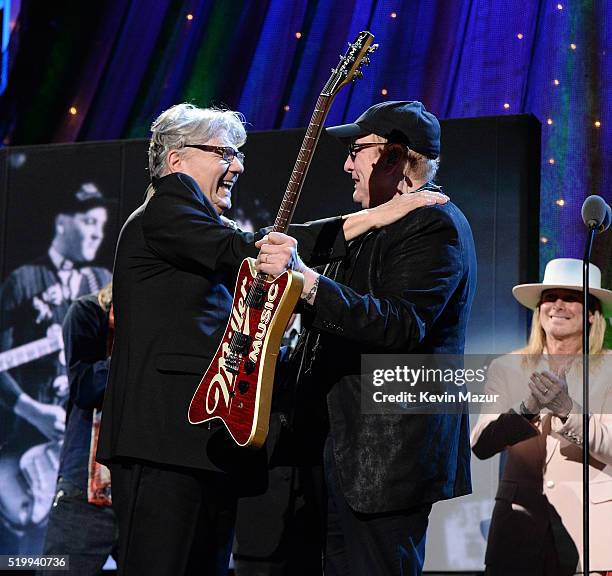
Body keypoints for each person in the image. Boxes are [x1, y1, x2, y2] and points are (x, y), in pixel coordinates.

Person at [96, 102, 448, 576]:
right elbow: (257, 251)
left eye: (237, 154)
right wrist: (379, 216)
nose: (237, 165)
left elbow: (266, 251)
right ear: (177, 159)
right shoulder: (166, 207)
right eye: (222, 153)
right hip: (161, 443)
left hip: (203, 440)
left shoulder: (198, 220)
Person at [256, 100, 477, 575]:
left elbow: (400, 324)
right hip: (344, 451)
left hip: (387, 459)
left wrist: (309, 283)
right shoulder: (377, 223)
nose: (347, 163)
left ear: (395, 157)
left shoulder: (433, 224)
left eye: (358, 150)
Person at [471, 258, 612, 576]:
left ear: (591, 314)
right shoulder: (505, 367)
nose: (558, 305)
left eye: (571, 297)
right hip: (519, 524)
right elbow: (481, 444)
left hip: (591, 528)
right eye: (550, 297)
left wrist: (567, 410)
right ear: (539, 310)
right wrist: (525, 410)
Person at [0, 183, 111, 553]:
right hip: (27, 441)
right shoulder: (23, 280)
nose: (98, 231)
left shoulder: (104, 282)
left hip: (82, 443)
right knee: (37, 547)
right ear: (62, 222)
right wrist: (31, 411)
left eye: (102, 224)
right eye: (89, 221)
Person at [38, 282, 118, 575]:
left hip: (144, 492)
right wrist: (139, 346)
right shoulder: (88, 311)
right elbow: (85, 389)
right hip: (83, 488)